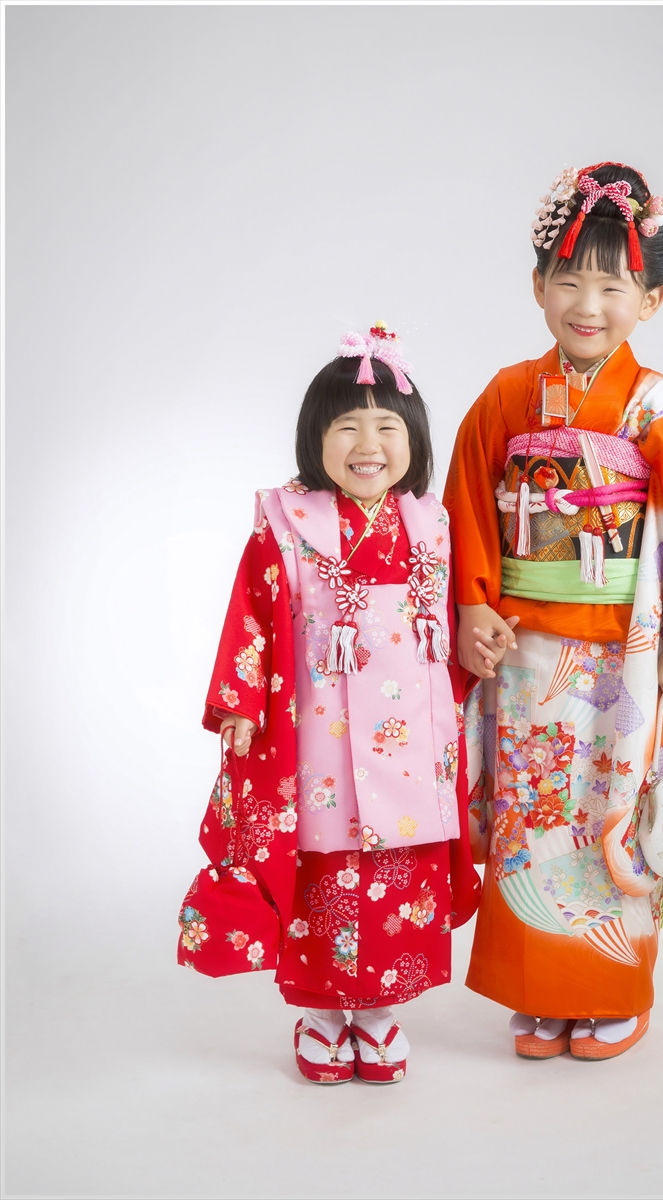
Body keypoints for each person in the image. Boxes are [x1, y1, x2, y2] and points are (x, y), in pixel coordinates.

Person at [443, 162, 663, 1061]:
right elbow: (467, 505)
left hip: (625, 648)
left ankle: (610, 989)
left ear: (649, 300)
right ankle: (539, 993)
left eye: (613, 286)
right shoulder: (507, 394)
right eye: (568, 280)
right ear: (537, 285)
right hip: (527, 652)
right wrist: (472, 604)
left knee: (611, 809)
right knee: (531, 818)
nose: (588, 304)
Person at [177, 325, 480, 1084]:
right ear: (315, 438)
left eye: (387, 428)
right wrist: (239, 701)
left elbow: (454, 619)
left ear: (414, 440)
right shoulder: (287, 524)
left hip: (412, 737)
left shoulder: (432, 523)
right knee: (325, 868)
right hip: (320, 736)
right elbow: (251, 612)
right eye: (346, 426)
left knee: (400, 867)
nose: (368, 445)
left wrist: (482, 647)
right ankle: (320, 1013)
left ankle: (378, 1013)